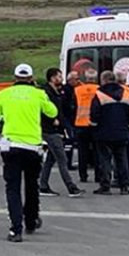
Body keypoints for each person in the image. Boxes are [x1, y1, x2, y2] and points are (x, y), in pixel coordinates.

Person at [0, 63, 60, 243]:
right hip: (33, 147)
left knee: (13, 188)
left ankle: (15, 230)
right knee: (32, 185)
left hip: (11, 147)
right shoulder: (38, 94)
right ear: (31, 78)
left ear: (15, 78)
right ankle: (31, 221)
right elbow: (52, 112)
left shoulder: (4, 94)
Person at [39, 68, 83, 198]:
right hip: (49, 130)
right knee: (62, 158)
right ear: (52, 78)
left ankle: (43, 186)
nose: (62, 79)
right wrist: (52, 120)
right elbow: (43, 109)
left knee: (51, 159)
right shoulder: (45, 92)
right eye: (59, 76)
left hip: (57, 129)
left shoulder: (57, 91)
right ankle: (71, 187)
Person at [89, 70, 129, 195]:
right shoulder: (126, 94)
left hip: (104, 133)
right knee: (121, 159)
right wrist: (128, 127)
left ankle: (105, 186)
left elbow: (94, 114)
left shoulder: (99, 94)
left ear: (103, 80)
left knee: (105, 160)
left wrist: (93, 126)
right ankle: (124, 186)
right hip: (122, 132)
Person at [72, 68, 100, 183]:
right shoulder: (99, 90)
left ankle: (83, 175)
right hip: (95, 125)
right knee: (97, 151)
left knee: (82, 152)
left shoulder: (77, 90)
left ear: (86, 78)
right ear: (95, 78)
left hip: (80, 124)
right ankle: (98, 175)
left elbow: (73, 107)